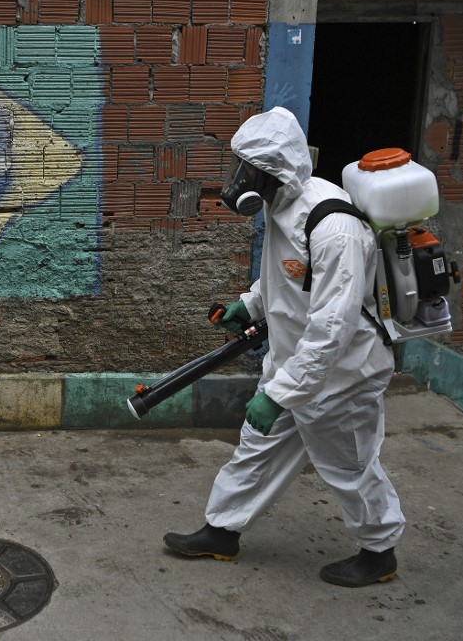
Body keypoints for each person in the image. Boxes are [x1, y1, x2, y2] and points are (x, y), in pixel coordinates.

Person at [163, 107, 404, 587]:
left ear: (275, 170)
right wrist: (250, 305)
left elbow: (332, 325)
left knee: (349, 464)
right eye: (241, 167)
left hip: (343, 374)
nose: (239, 179)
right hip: (298, 364)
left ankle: (379, 552)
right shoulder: (280, 206)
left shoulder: (333, 225)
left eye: (248, 170)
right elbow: (288, 277)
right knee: (257, 447)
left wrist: (279, 393)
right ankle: (222, 531)